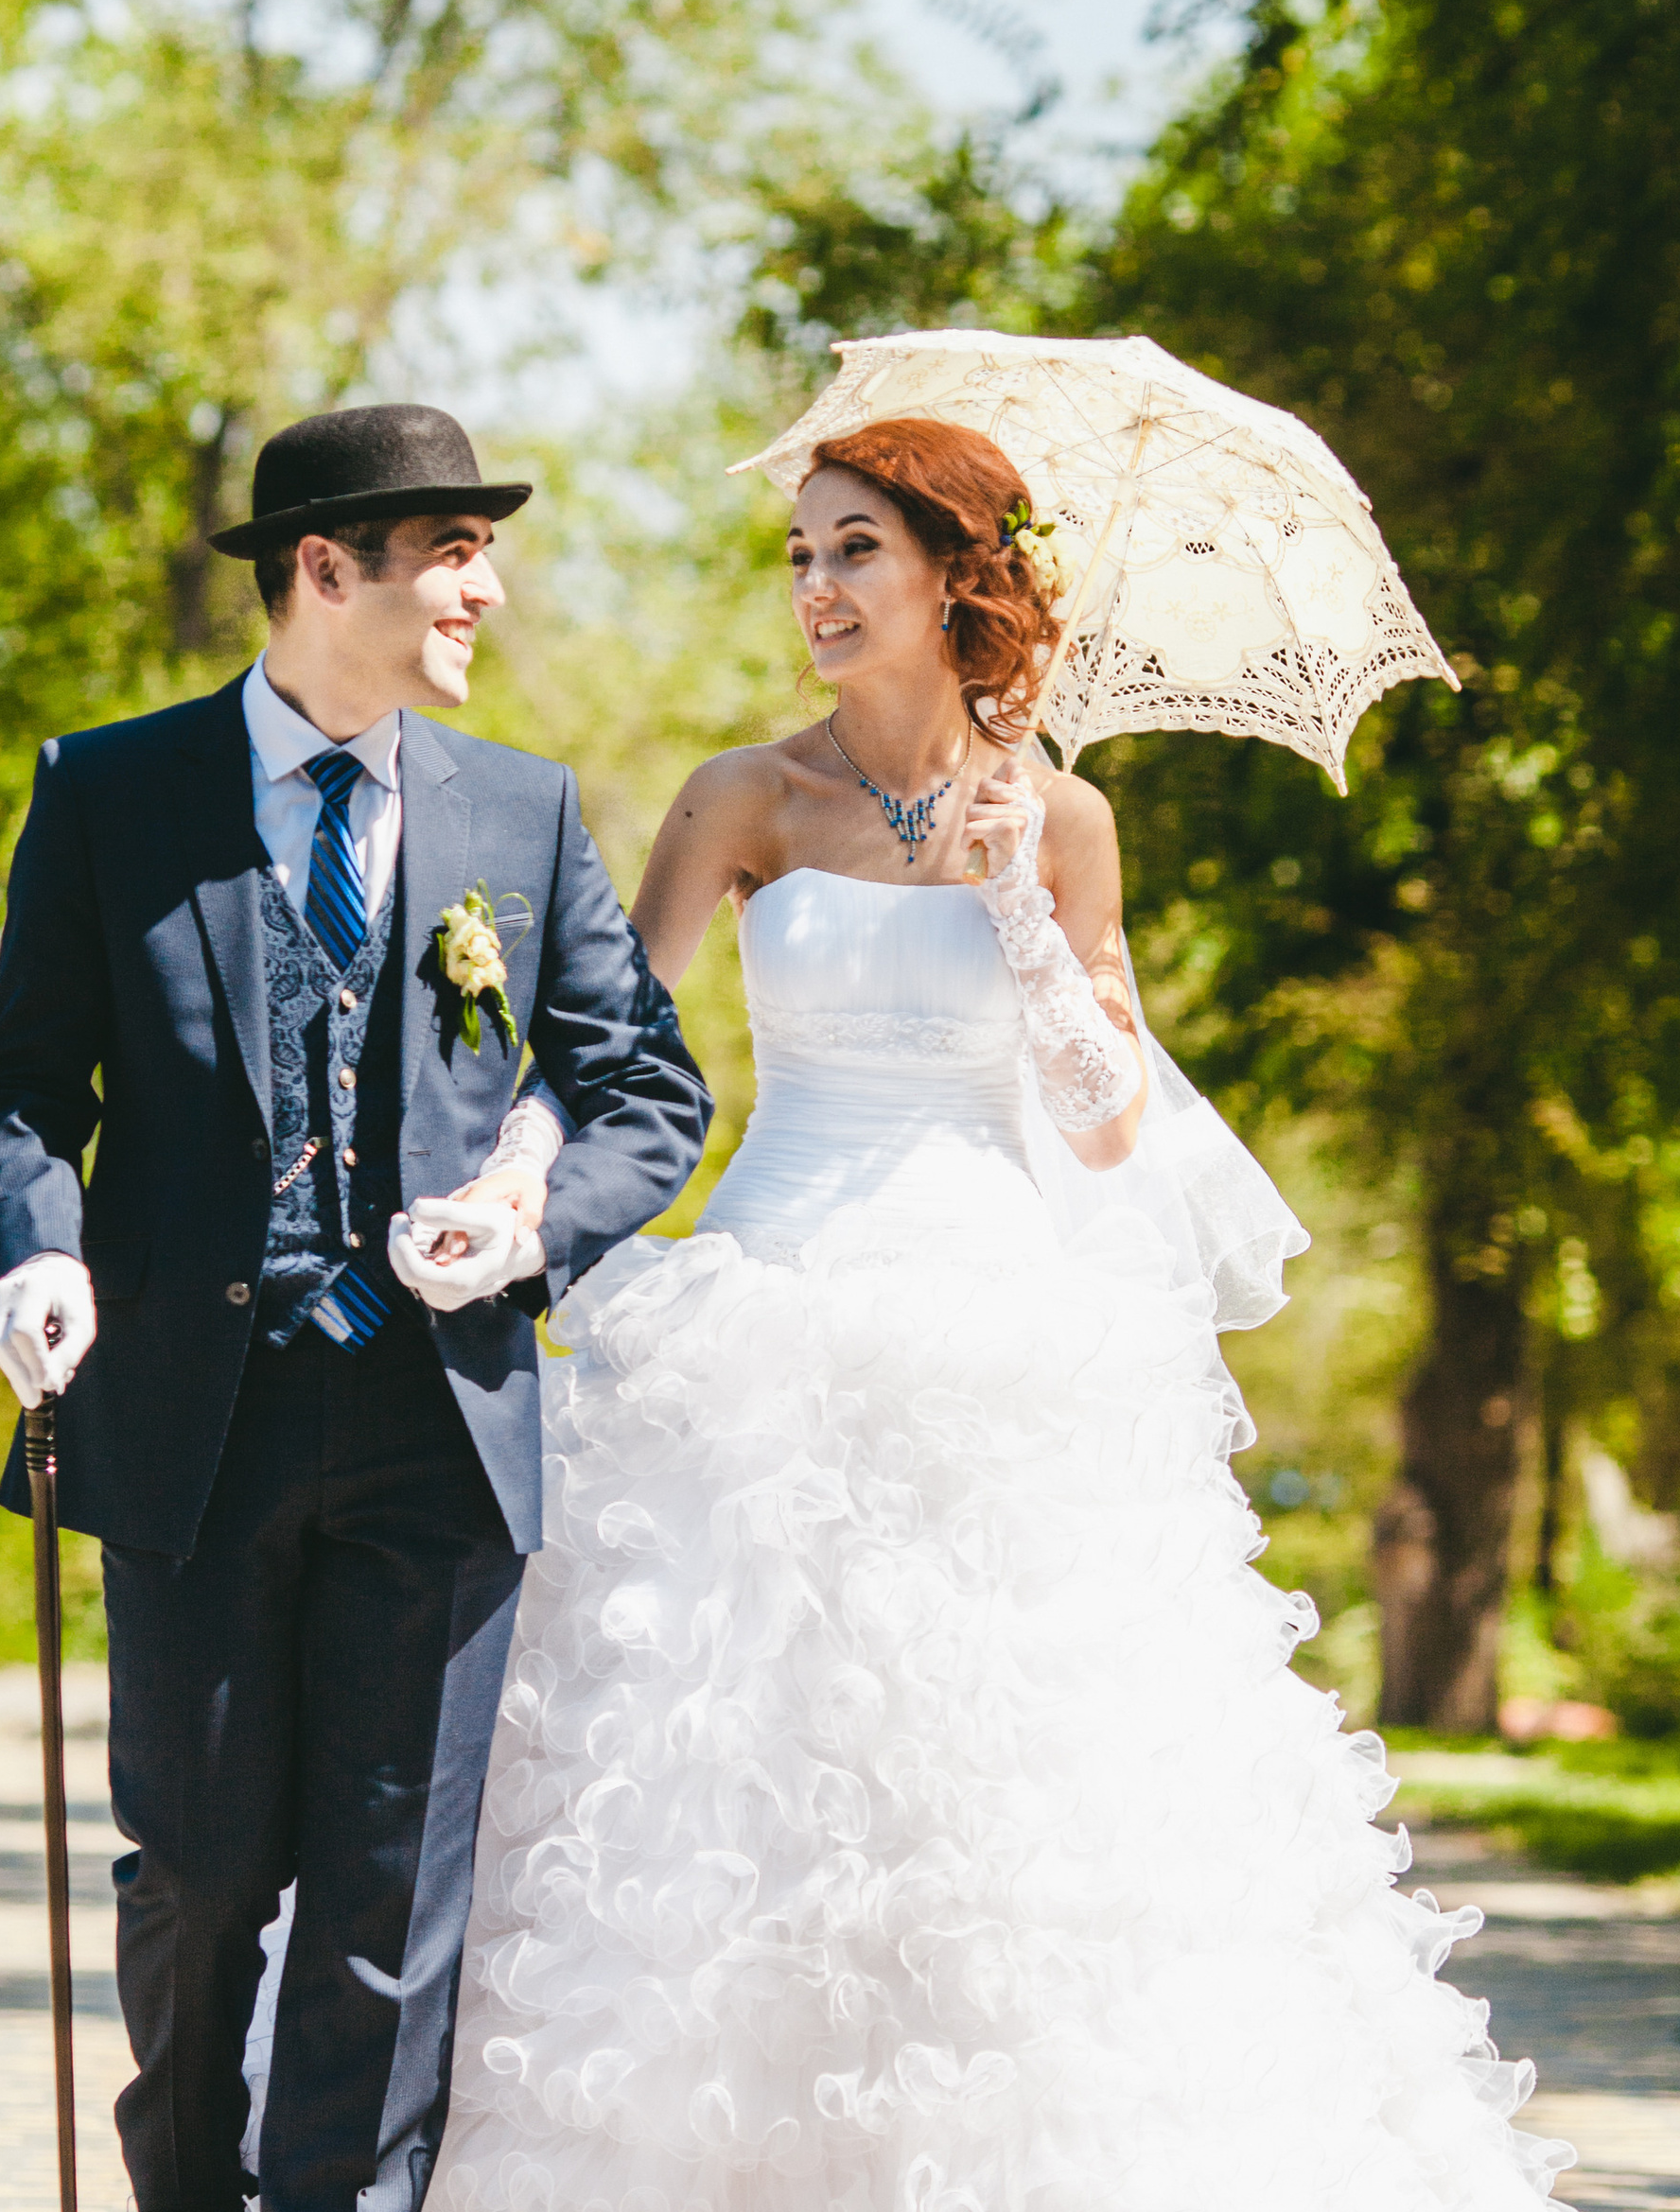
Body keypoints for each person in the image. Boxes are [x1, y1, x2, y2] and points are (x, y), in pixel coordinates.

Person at [433, 417, 1575, 2211]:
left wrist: (1022, 910)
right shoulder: (745, 798)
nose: (816, 587)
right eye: (802, 554)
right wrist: (512, 1182)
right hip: (765, 1318)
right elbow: (607, 1047)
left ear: (957, 575)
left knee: (1005, 1782)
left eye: (855, 550)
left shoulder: (1066, 817)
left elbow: (1109, 1122)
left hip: (997, 1336)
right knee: (732, 1765)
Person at [0, 402, 713, 2212]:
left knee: (390, 1907)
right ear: (323, 568)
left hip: (439, 1425)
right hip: (189, 1422)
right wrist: (36, 1249)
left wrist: (528, 1233)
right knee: (201, 1876)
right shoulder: (110, 793)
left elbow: (646, 1090)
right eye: (453, 554)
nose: (486, 590)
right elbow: (21, 1095)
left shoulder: (520, 809)